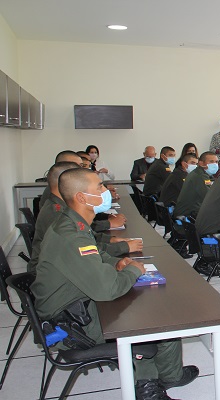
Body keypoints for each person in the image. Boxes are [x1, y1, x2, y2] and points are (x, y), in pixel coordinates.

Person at [31, 168, 198, 400]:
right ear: (81, 197)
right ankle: (147, 389)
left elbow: (97, 255)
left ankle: (171, 375)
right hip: (72, 324)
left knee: (150, 304)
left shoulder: (72, 223)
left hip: (76, 307)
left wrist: (118, 263)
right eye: (99, 187)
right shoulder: (72, 235)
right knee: (153, 317)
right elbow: (107, 289)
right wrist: (133, 269)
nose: (106, 190)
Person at [28, 162, 142, 272]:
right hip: (53, 273)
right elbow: (84, 251)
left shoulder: (65, 209)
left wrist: (112, 241)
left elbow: (89, 240)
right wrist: (123, 250)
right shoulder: (58, 215)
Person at [174, 152, 218, 218]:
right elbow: (210, 197)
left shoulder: (198, 172)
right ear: (201, 163)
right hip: (188, 215)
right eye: (211, 161)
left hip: (188, 212)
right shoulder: (200, 176)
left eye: (216, 162)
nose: (215, 164)